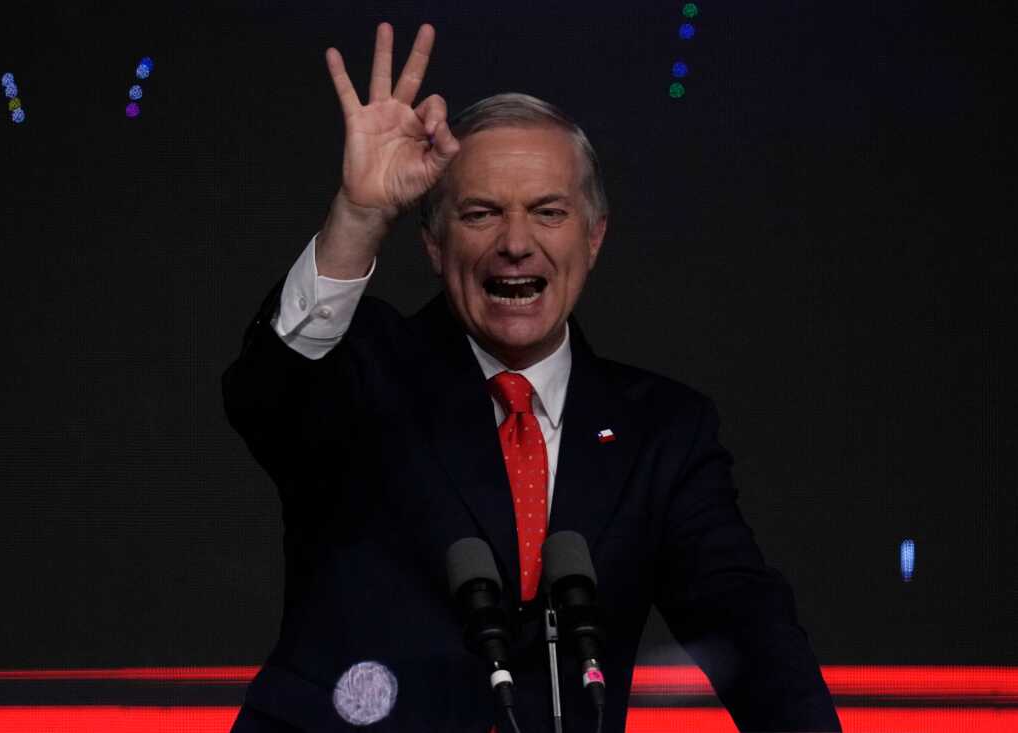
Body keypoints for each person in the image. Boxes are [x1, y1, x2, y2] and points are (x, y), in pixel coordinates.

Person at [223, 22, 840, 733]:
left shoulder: (662, 433)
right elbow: (263, 395)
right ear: (432, 242)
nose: (516, 243)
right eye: (482, 213)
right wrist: (359, 215)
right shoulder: (366, 372)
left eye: (548, 212)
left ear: (594, 236)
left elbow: (749, 624)